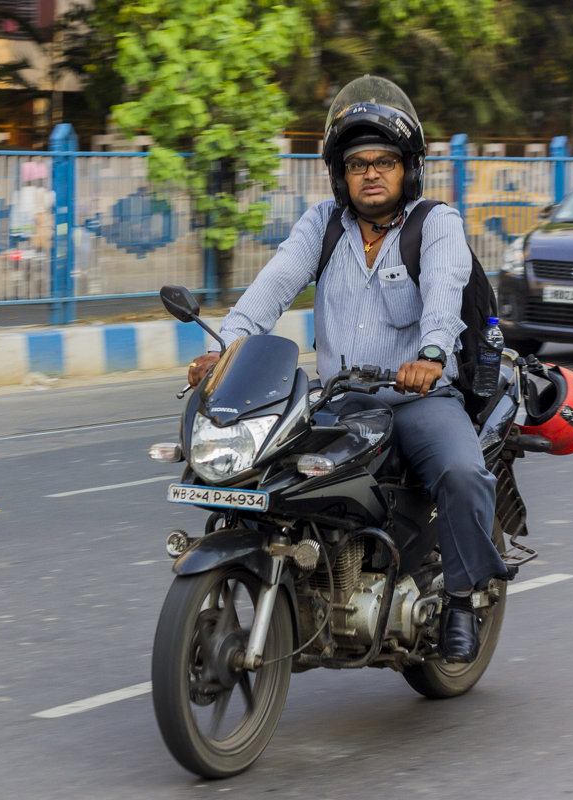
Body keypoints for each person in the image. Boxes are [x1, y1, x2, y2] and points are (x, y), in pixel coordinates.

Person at [185, 75, 511, 663]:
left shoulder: (435, 224)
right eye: (358, 163)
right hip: (338, 401)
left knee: (462, 474)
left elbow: (443, 298)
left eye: (385, 160)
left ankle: (462, 599)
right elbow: (271, 290)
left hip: (418, 400)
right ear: (342, 174)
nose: (372, 173)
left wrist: (432, 357)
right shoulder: (323, 225)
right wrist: (227, 349)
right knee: (265, 478)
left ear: (407, 168)